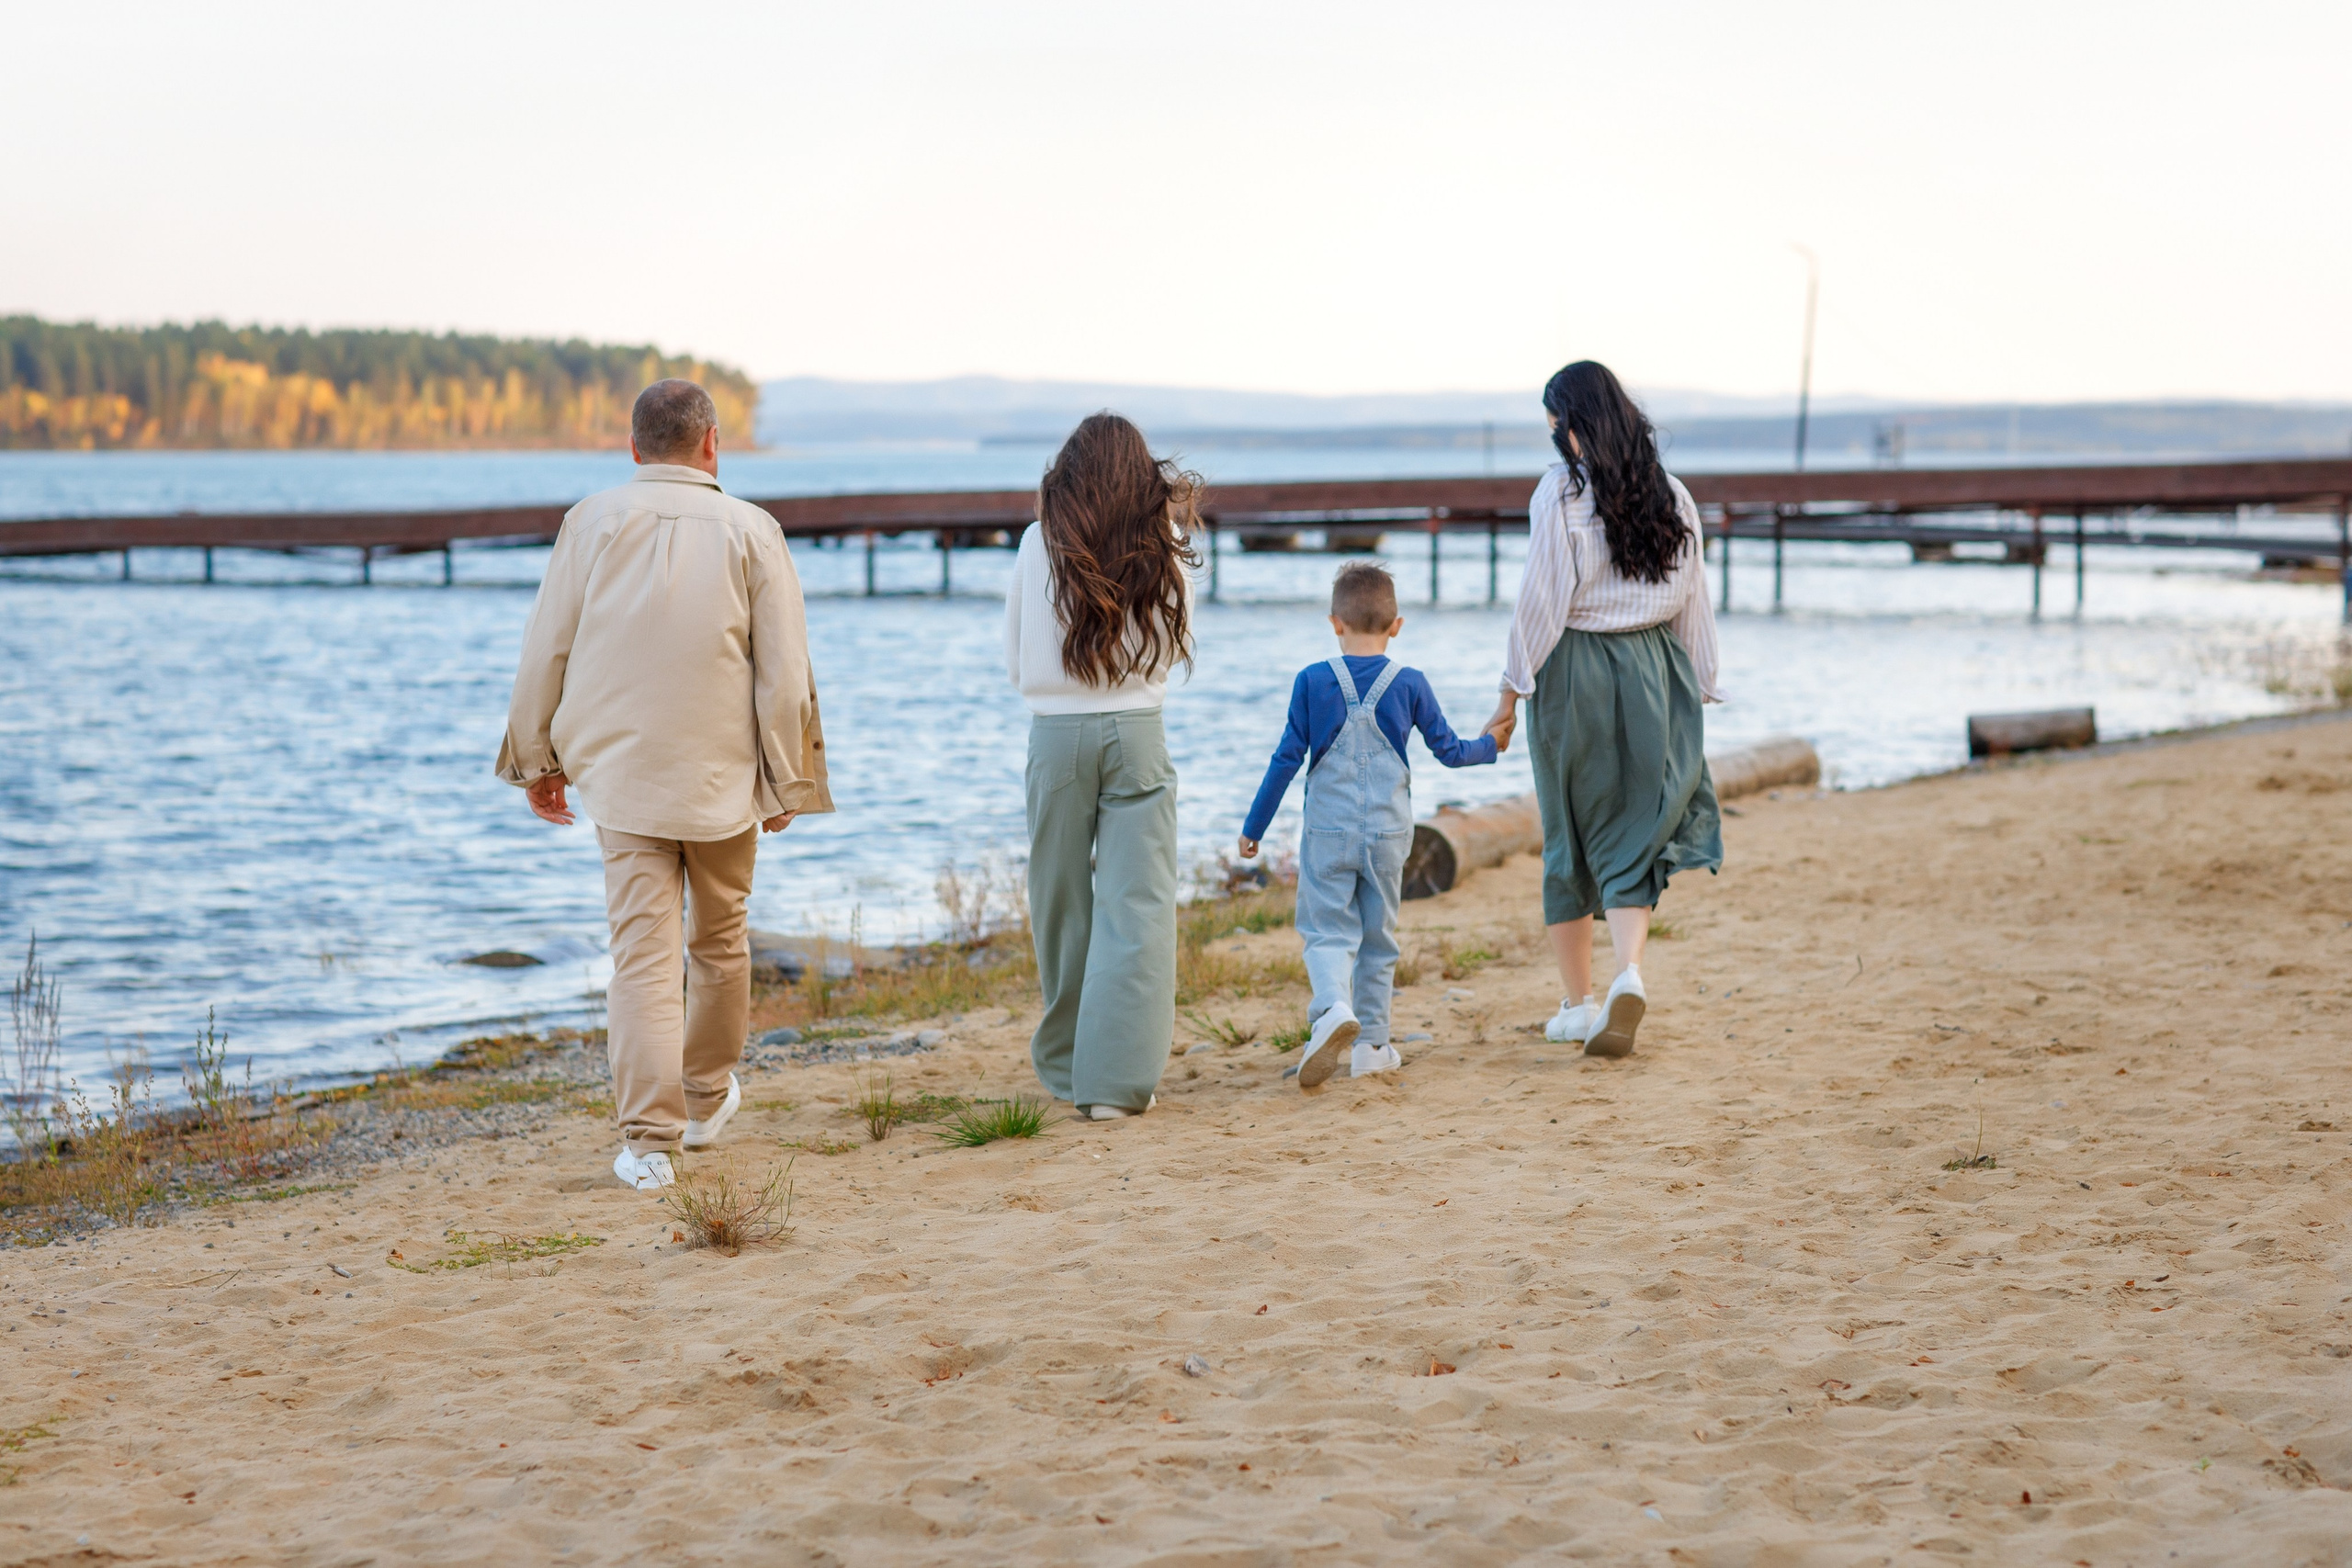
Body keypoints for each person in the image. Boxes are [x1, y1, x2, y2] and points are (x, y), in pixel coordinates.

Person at [495, 378, 831, 1190]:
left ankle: (651, 1142)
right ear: (713, 445)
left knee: (642, 957)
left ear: (636, 447)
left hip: (625, 774)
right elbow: (784, 674)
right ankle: (707, 1097)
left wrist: (536, 761)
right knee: (720, 941)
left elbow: (548, 647)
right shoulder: (756, 530)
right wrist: (790, 778)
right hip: (725, 780)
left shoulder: (592, 521)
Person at [1481, 360, 1724, 1059]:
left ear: (1577, 429)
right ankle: (1631, 973)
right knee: (1634, 829)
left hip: (1577, 668)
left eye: (1558, 427)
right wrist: (1701, 682)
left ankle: (1580, 1003)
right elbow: (1694, 601)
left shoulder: (1560, 492)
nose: (1557, 440)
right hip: (1658, 669)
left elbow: (1541, 600)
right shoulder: (1672, 494)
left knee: (1572, 829)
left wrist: (1510, 690)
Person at [1238, 562, 1499, 1089]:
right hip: (1388, 836)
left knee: (1326, 931)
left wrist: (1255, 827)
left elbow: (1286, 759)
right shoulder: (1411, 683)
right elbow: (1449, 751)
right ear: (1396, 625)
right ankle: (1372, 1047)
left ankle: (1333, 1007)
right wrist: (1492, 744)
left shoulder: (1312, 681)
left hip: (1327, 835)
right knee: (1379, 937)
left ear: (1335, 622)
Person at [1007, 413, 1196, 1121]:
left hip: (1055, 736)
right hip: (1139, 729)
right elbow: (1176, 646)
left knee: (1060, 902)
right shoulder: (1165, 545)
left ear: (1070, 470)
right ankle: (1115, 1081)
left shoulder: (1038, 542)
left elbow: (1014, 648)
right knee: (1138, 905)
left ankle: (1064, 1066)